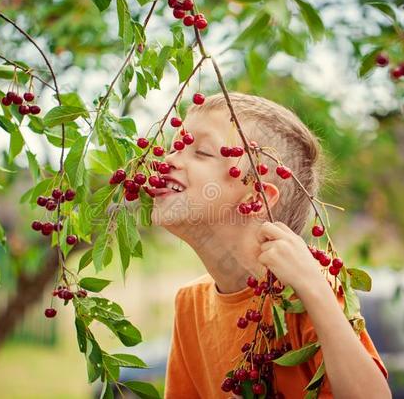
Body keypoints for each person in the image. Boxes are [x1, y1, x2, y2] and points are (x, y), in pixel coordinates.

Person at [152, 93, 391, 398]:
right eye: (175, 147)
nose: (169, 159)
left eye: (201, 152)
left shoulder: (305, 290)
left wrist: (315, 290)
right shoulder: (190, 304)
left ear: (254, 198)